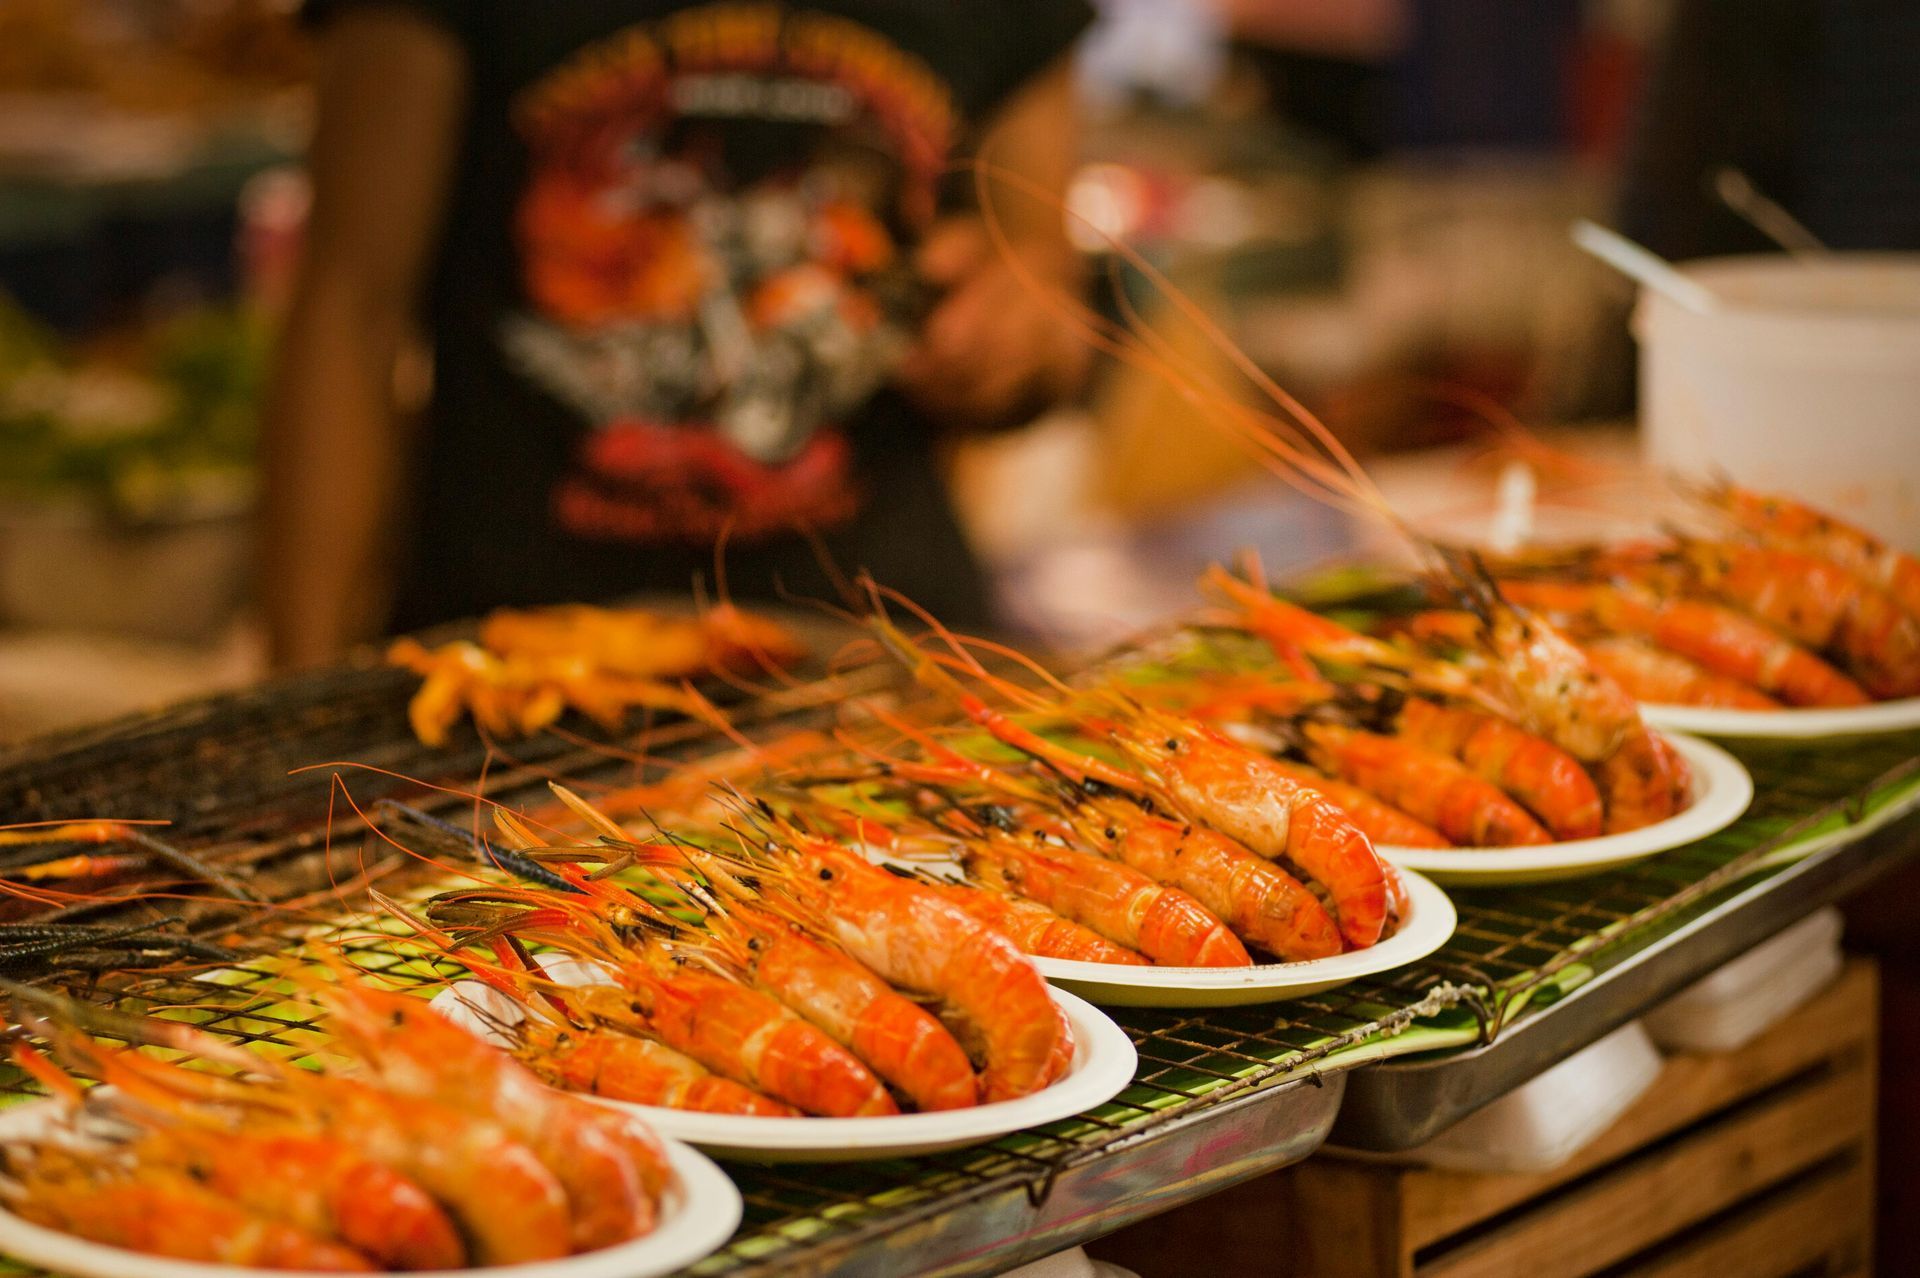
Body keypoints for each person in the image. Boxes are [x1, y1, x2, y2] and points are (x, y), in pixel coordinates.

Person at [261, 0, 1094, 669]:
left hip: (878, 644)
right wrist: (298, 691)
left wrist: (1013, 338)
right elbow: (349, 312)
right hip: (520, 653)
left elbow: (1048, 290)